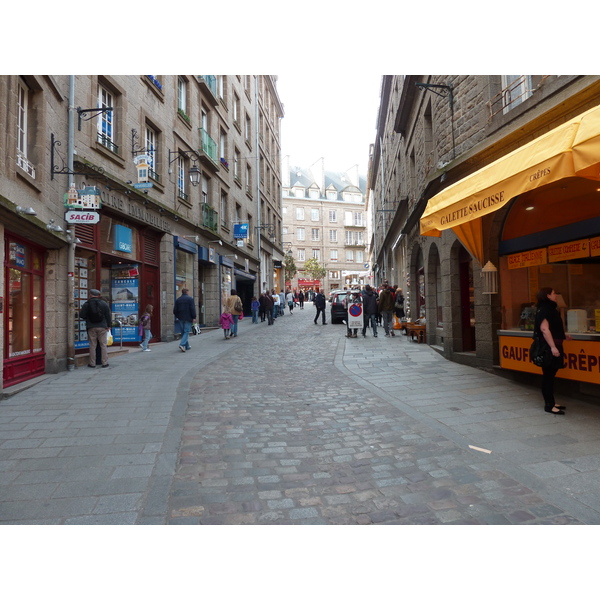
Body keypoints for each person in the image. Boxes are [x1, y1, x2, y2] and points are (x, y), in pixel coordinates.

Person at [533, 287, 571, 414]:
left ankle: (552, 402)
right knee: (548, 376)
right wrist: (553, 347)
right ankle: (549, 405)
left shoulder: (548, 308)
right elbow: (544, 329)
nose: (556, 295)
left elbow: (552, 328)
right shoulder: (545, 309)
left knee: (550, 375)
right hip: (548, 347)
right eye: (554, 293)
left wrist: (563, 335)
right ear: (548, 295)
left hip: (552, 344)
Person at [80, 288, 112, 368]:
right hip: (102, 326)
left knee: (92, 345)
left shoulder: (86, 304)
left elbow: (82, 315)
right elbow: (108, 315)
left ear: (90, 295)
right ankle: (104, 362)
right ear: (98, 295)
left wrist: (88, 318)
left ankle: (92, 363)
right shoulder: (104, 303)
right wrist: (108, 325)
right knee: (103, 345)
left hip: (91, 327)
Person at [173, 288, 196, 352]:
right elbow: (192, 309)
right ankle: (182, 344)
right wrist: (194, 317)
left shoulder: (178, 300)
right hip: (188, 318)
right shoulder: (190, 299)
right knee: (186, 332)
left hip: (181, 318)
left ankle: (187, 346)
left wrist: (178, 316)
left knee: (183, 332)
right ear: (187, 292)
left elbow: (175, 310)